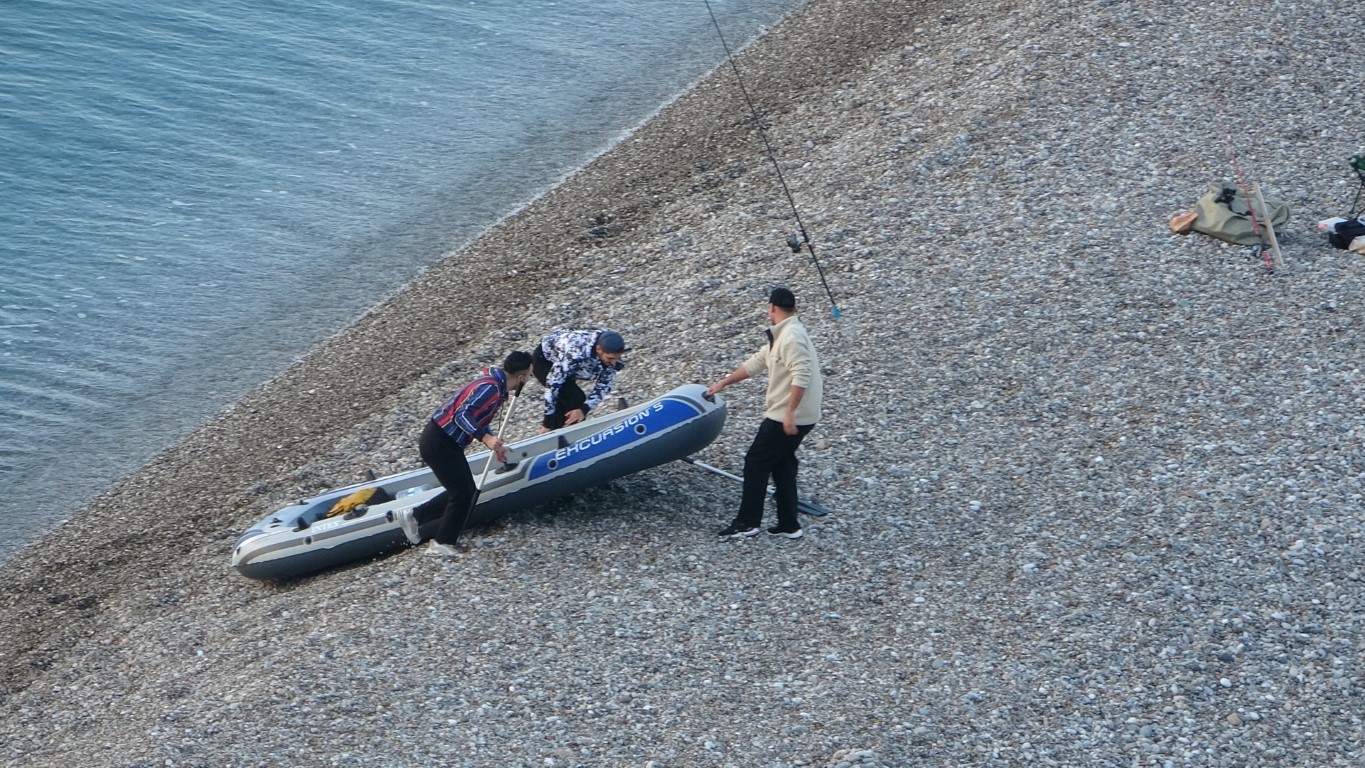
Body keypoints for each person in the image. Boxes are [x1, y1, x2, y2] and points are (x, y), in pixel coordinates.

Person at [705, 287, 823, 540]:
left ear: (771, 307)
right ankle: (789, 525)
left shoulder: (791, 336)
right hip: (802, 415)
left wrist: (790, 414)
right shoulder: (784, 333)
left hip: (787, 416)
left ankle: (748, 522)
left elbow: (802, 375)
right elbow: (756, 363)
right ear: (794, 308)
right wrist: (723, 383)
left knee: (755, 463)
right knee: (783, 464)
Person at [399, 350, 534, 556]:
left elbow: (478, 418)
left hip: (443, 442)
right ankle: (441, 542)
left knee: (463, 490)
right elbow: (461, 414)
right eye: (529, 376)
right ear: (521, 377)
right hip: (440, 441)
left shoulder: (494, 387)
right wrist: (486, 438)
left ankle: (416, 516)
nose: (529, 380)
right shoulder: (491, 388)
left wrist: (493, 444)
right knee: (463, 493)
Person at [532, 327, 627, 432]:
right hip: (545, 360)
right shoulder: (575, 353)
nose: (613, 362)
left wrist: (584, 410)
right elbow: (552, 388)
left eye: (616, 358)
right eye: (610, 359)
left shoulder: (612, 354)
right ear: (599, 349)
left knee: (575, 406)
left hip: (573, 361)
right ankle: (549, 432)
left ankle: (569, 430)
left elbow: (603, 386)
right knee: (574, 398)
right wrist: (547, 422)